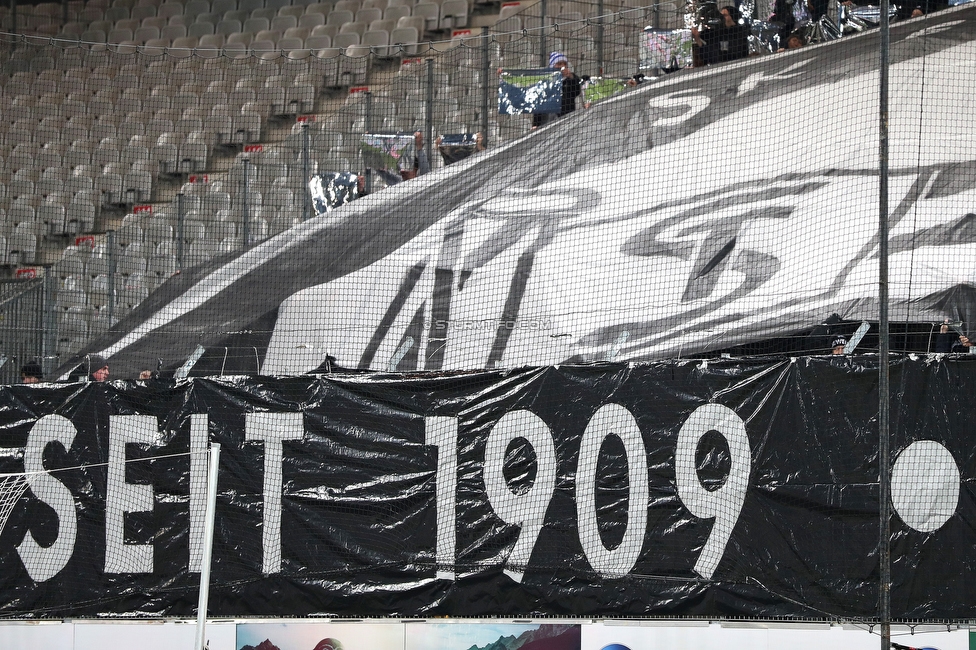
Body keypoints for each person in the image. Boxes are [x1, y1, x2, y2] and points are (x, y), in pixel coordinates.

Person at [532, 52, 582, 128]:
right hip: (546, 123)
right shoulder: (545, 83)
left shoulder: (570, 81)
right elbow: (538, 106)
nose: (563, 66)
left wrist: (571, 76)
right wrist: (535, 124)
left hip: (566, 123)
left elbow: (577, 90)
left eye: (565, 64)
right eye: (559, 64)